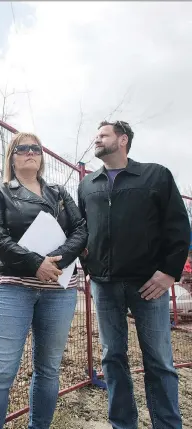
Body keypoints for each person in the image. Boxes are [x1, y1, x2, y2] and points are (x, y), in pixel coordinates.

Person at [78, 120, 191, 429]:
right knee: (112, 359)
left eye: (103, 135)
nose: (96, 139)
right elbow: (82, 233)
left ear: (123, 139)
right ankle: (122, 424)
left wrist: (169, 273)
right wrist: (89, 268)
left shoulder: (155, 176)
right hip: (105, 285)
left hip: (149, 286)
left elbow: (179, 227)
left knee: (158, 361)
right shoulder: (88, 184)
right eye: (96, 135)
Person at [0, 132, 88, 429]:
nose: (29, 152)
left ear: (41, 157)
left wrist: (57, 260)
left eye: (35, 148)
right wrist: (34, 263)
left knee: (49, 369)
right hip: (13, 287)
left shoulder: (60, 193)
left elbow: (80, 229)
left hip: (59, 291)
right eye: (21, 148)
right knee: (0, 371)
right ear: (11, 157)